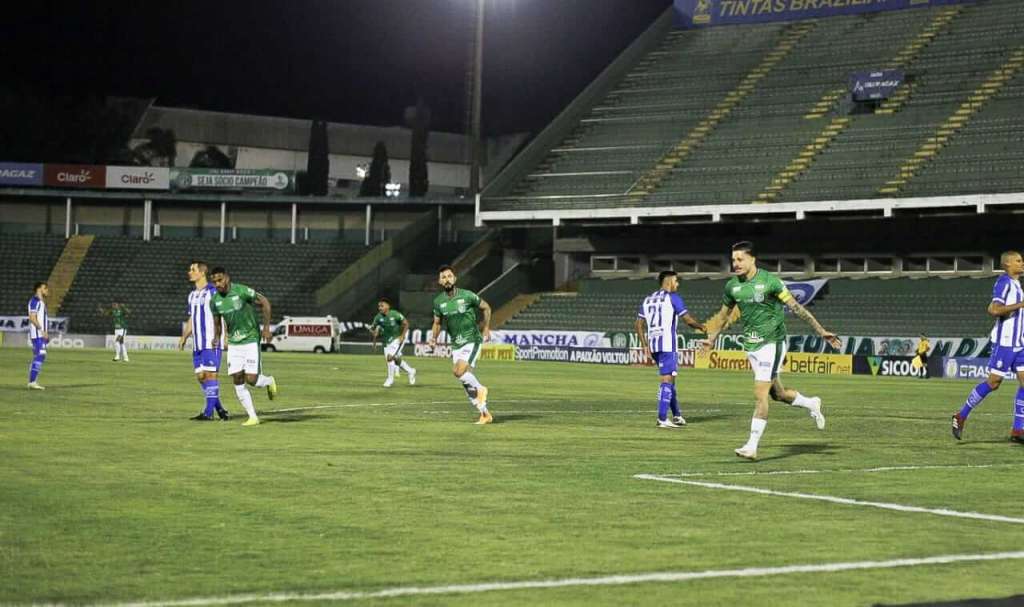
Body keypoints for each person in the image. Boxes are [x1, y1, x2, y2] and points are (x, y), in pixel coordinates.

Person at [701, 241, 841, 460]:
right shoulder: (732, 286)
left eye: (740, 259)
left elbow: (796, 307)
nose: (735, 264)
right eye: (733, 260)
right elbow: (723, 316)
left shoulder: (770, 282)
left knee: (760, 394)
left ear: (752, 259)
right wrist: (711, 339)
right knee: (778, 394)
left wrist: (820, 330)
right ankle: (811, 402)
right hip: (751, 345)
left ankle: (752, 445)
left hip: (772, 343)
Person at [951, 250, 1024, 444]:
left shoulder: (1017, 285)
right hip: (1005, 343)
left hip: (1019, 344)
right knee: (993, 383)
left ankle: (1018, 430)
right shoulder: (1004, 283)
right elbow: (993, 309)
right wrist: (1020, 305)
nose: (1022, 263)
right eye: (1018, 261)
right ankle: (961, 415)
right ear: (1007, 264)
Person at [635, 270, 706, 429]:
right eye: (676, 281)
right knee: (667, 380)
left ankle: (677, 415)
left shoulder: (648, 299)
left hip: (654, 346)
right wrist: (702, 327)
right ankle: (662, 418)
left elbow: (638, 324)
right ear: (668, 282)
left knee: (671, 379)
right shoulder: (673, 298)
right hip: (667, 345)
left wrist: (644, 345)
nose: (678, 284)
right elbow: (687, 320)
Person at [209, 267, 278, 427]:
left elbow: (265, 302)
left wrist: (266, 328)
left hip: (251, 338)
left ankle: (268, 381)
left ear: (227, 277)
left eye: (220, 280)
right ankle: (253, 417)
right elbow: (217, 323)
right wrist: (216, 338)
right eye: (214, 282)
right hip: (234, 343)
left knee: (252, 379)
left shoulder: (242, 291)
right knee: (237, 379)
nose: (217, 284)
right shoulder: (215, 301)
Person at [429, 265, 493, 424]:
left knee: (458, 372)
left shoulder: (467, 295)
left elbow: (486, 307)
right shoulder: (438, 302)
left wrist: (485, 328)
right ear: (439, 281)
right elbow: (437, 323)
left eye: (449, 276)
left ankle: (481, 389)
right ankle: (484, 413)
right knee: (464, 381)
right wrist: (433, 338)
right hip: (456, 345)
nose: (447, 279)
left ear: (455, 279)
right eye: (443, 277)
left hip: (472, 340)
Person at [178, 260, 230, 421]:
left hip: (211, 341)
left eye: (192, 269)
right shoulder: (192, 295)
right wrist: (184, 337)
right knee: (201, 377)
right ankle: (220, 410)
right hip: (198, 343)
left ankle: (208, 413)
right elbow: (192, 318)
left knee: (210, 375)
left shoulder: (214, 291)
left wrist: (226, 336)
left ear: (202, 272)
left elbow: (225, 313)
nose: (189, 272)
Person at [371, 298, 417, 387]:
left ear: (388, 306)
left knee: (390, 358)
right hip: (386, 342)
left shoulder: (395, 314)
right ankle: (411, 371)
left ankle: (390, 379)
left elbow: (406, 323)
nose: (380, 308)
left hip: (397, 338)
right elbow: (374, 330)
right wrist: (374, 342)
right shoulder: (378, 317)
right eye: (379, 306)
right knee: (395, 360)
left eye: (382, 305)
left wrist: (402, 336)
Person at [27, 281, 49, 390]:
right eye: (45, 288)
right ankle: (32, 382)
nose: (47, 291)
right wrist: (42, 330)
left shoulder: (41, 302)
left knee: (39, 355)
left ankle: (32, 380)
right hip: (37, 334)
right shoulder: (34, 301)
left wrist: (45, 332)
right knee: (41, 355)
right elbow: (32, 317)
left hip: (40, 334)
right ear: (39, 289)